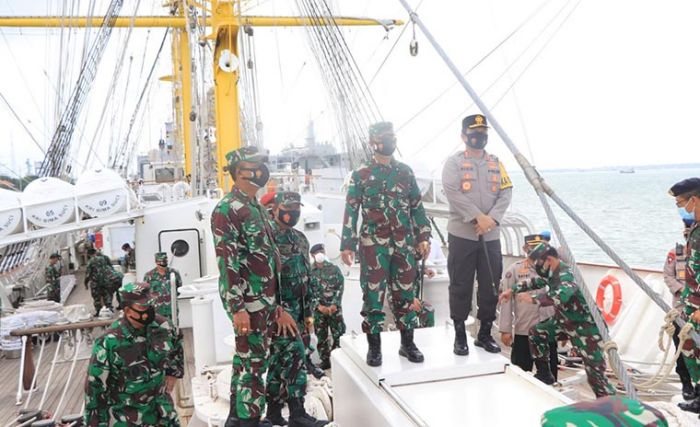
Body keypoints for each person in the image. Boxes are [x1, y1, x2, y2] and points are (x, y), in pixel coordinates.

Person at [211, 146, 295, 427]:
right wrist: (238, 308)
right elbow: (228, 263)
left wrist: (278, 303)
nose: (260, 170)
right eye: (254, 165)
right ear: (240, 172)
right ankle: (249, 421)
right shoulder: (227, 210)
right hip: (248, 302)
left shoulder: (256, 207)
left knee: (245, 359)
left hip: (266, 299)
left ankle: (236, 418)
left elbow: (270, 260)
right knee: (254, 364)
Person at [340, 121, 432, 367]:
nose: (390, 141)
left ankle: (407, 343)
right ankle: (375, 347)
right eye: (384, 137)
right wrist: (346, 244)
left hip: (404, 244)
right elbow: (351, 210)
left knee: (405, 294)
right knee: (373, 296)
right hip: (373, 246)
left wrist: (424, 236)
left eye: (392, 137)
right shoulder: (360, 175)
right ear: (373, 143)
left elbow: (416, 207)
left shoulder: (405, 172)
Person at [499, 243, 616, 398]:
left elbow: (560, 296)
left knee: (595, 375)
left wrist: (533, 298)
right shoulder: (551, 273)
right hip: (565, 322)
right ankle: (544, 373)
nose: (537, 268)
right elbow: (535, 282)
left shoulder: (567, 275)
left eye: (538, 264)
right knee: (537, 332)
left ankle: (611, 403)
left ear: (549, 260)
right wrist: (512, 290)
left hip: (586, 330)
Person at [441, 113, 513, 356]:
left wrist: (491, 219)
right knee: (460, 285)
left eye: (483, 133)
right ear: (464, 136)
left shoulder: (496, 162)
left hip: (490, 236)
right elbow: (452, 191)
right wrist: (477, 217)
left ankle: (484, 334)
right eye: (474, 134)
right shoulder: (454, 163)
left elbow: (506, 192)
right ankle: (460, 334)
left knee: (490, 286)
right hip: (462, 235)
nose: (479, 137)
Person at [266, 192, 328, 427]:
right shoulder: (267, 238)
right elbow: (263, 280)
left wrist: (309, 312)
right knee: (295, 359)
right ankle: (297, 414)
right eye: (287, 207)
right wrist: (277, 311)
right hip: (281, 315)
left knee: (278, 363)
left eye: (296, 208)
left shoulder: (301, 239)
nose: (292, 212)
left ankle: (273, 414)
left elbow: (307, 277)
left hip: (300, 314)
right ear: (275, 208)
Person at [84, 282, 184, 426]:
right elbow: (94, 389)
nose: (149, 310)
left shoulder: (163, 327)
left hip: (164, 414)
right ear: (128, 310)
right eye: (143, 307)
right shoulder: (108, 342)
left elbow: (177, 340)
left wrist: (174, 372)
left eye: (150, 305)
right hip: (129, 418)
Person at [498, 235, 558, 378]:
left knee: (550, 373)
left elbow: (559, 297)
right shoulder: (514, 270)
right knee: (521, 374)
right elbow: (507, 301)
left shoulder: (551, 268)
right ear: (525, 248)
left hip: (547, 329)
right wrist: (505, 329)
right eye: (532, 248)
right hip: (524, 330)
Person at [669, 177, 700, 415]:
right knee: (692, 352)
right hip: (690, 306)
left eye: (681, 202)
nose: (681, 207)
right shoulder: (695, 230)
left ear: (694, 199)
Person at [662, 219, 696, 400]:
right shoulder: (675, 253)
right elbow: (667, 275)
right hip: (680, 309)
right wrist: (682, 290)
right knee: (681, 346)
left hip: (697, 311)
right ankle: (686, 383)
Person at [309, 243, 346, 370]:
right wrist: (318, 306)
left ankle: (338, 360)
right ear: (312, 255)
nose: (320, 254)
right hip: (319, 311)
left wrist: (335, 304)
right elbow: (308, 291)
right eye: (317, 252)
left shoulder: (334, 269)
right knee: (321, 336)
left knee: (339, 334)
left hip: (334, 310)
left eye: (321, 251)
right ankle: (325, 361)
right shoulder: (310, 272)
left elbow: (340, 287)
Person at [143, 252, 183, 319]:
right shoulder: (149, 275)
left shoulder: (174, 273)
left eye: (164, 262)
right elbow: (145, 292)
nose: (163, 265)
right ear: (156, 262)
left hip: (171, 309)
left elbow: (179, 289)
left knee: (174, 327)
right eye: (160, 263)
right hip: (156, 311)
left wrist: (171, 297)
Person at [85, 248, 114, 315]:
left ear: (89, 254)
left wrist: (85, 283)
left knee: (97, 297)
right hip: (105, 281)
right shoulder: (102, 259)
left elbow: (88, 275)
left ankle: (98, 311)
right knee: (106, 295)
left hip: (95, 283)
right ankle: (109, 309)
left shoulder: (90, 262)